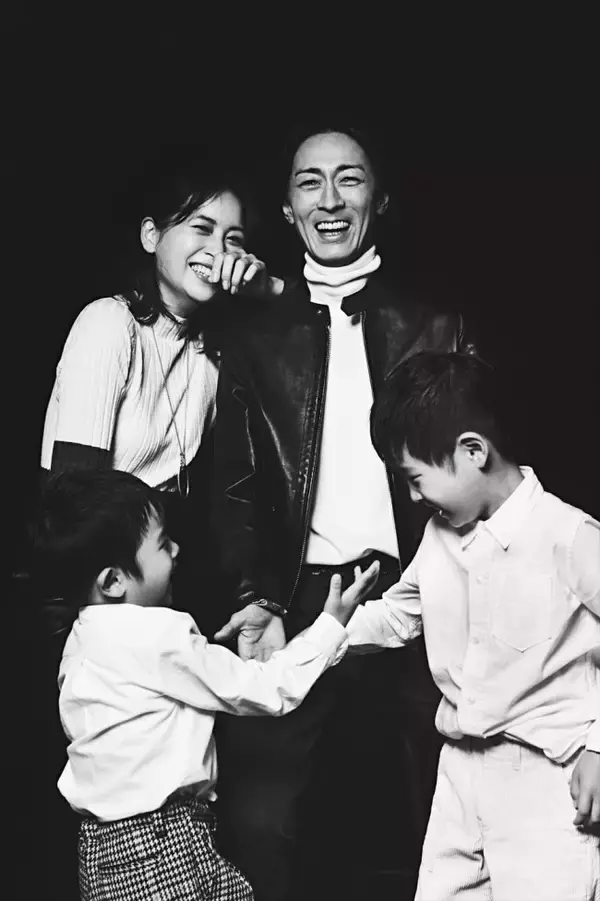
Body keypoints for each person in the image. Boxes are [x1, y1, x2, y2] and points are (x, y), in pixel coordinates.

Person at [211, 123, 474, 900]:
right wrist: (255, 599)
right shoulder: (251, 339)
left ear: (379, 199)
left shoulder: (439, 327)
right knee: (259, 823)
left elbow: (478, 474)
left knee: (452, 806)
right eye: (309, 182)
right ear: (287, 211)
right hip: (299, 601)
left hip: (419, 592)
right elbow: (233, 489)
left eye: (349, 179)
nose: (329, 200)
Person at [30, 469, 379, 901]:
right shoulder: (157, 635)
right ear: (113, 581)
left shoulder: (79, 643)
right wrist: (329, 627)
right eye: (162, 544)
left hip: (100, 853)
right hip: (163, 844)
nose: (177, 550)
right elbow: (266, 689)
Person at [343, 350, 600, 901]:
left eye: (415, 478)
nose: (413, 497)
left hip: (548, 779)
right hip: (459, 772)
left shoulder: (569, 535)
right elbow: (399, 614)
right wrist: (324, 634)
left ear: (473, 451)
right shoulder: (439, 535)